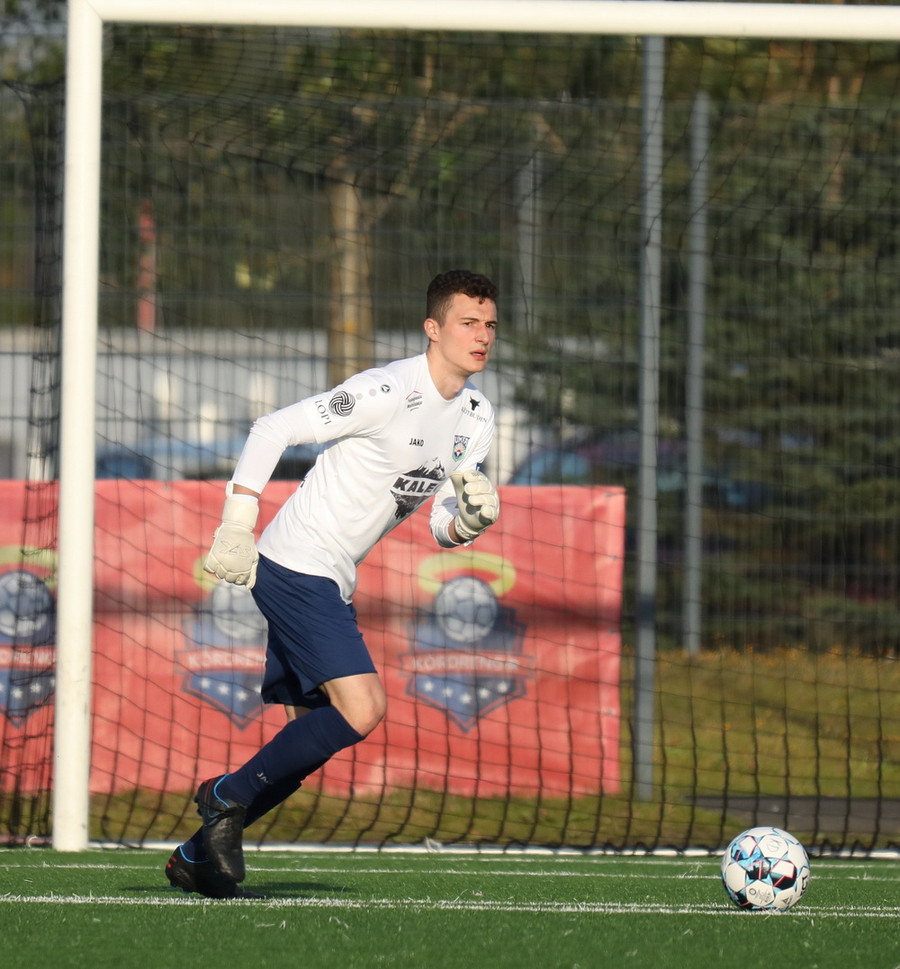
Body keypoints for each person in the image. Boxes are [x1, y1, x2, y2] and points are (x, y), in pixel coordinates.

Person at [165, 269, 501, 898]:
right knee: (364, 708)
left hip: (331, 578)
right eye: (467, 322)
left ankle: (195, 855)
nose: (481, 335)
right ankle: (222, 795)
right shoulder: (385, 390)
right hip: (296, 563)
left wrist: (467, 524)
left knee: (308, 739)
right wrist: (237, 523)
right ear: (433, 329)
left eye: (489, 324)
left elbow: (439, 523)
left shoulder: (477, 416)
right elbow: (271, 428)